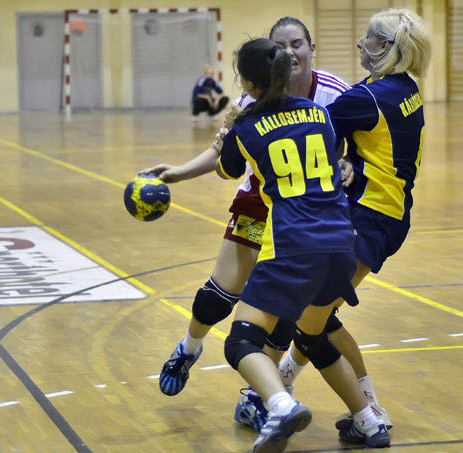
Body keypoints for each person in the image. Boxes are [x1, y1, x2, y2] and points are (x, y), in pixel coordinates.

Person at [142, 17, 391, 433]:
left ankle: (263, 399)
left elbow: (358, 145)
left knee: (282, 322)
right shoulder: (253, 103)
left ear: (311, 48)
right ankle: (189, 347)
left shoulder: (335, 94)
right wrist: (180, 172)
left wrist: (349, 163)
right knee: (219, 297)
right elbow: (225, 154)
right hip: (266, 203)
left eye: (297, 44)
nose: (289, 53)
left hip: (305, 212)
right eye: (280, 46)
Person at [215, 37, 390, 452]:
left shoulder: (246, 126)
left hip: (293, 246)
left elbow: (228, 169)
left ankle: (280, 405)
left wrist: (227, 131)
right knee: (313, 337)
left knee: (241, 341)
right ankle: (368, 422)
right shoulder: (319, 113)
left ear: (248, 83)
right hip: (341, 243)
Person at [275, 8, 431, 434]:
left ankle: (370, 409)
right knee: (317, 313)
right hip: (389, 214)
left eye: (368, 39)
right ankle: (288, 375)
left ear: (385, 47)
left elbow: (307, 130)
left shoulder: (366, 98)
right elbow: (370, 140)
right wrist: (349, 160)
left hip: (369, 218)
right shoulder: (404, 88)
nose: (360, 43)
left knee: (314, 320)